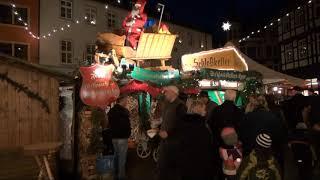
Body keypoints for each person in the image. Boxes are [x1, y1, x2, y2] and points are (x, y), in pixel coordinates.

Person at [179, 99, 216, 180]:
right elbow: (205, 148)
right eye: (204, 109)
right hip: (199, 165)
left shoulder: (186, 123)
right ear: (199, 110)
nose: (206, 111)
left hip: (187, 164)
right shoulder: (200, 126)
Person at [157, 86, 186, 180]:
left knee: (171, 168)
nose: (165, 94)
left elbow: (181, 125)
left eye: (166, 92)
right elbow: (166, 119)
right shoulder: (168, 104)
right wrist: (159, 123)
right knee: (163, 165)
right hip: (165, 141)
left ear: (173, 93)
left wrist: (169, 133)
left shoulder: (180, 106)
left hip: (174, 142)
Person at [107, 96, 131, 180]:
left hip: (114, 137)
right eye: (126, 100)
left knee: (116, 156)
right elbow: (126, 125)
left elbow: (108, 123)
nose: (127, 102)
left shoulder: (111, 111)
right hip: (122, 138)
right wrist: (128, 134)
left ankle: (114, 175)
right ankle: (121, 176)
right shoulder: (124, 112)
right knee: (122, 158)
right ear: (122, 101)